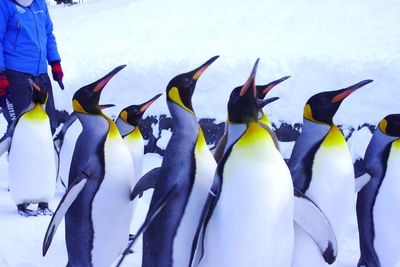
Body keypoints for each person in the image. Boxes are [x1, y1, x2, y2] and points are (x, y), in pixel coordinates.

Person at [0, 0, 64, 134]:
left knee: (48, 125)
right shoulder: (4, 4)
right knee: (20, 128)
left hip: (40, 73)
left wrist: (55, 61)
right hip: (15, 76)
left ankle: (45, 155)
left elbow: (48, 34)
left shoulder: (39, 3)